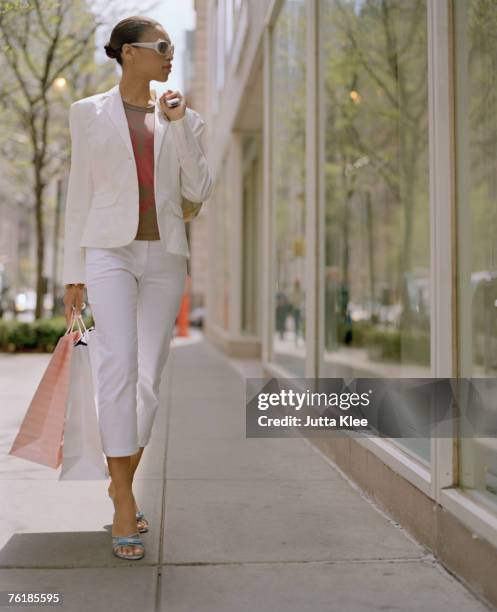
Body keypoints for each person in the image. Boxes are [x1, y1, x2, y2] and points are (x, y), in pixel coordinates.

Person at [62, 15, 213, 561]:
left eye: (172, 47)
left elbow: (199, 189)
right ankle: (125, 500)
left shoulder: (182, 118)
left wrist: (180, 125)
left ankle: (118, 484)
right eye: (161, 47)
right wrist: (71, 272)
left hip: (165, 254)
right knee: (117, 366)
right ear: (129, 53)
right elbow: (78, 192)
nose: (170, 55)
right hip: (108, 251)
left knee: (149, 375)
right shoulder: (88, 113)